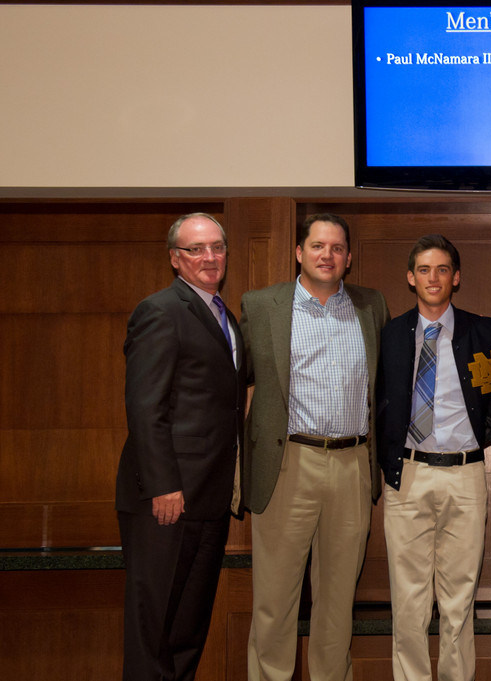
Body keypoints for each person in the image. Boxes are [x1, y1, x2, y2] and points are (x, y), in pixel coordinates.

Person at [241, 213, 389, 681]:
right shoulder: (262, 305)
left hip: (352, 464)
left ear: (348, 257)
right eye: (319, 246)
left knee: (337, 601)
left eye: (338, 248)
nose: (328, 255)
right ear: (299, 252)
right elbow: (235, 382)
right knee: (275, 600)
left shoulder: (372, 307)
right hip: (288, 464)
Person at [115, 213, 247, 681]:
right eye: (196, 249)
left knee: (188, 628)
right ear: (175, 259)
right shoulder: (160, 311)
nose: (209, 257)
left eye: (216, 247)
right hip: (166, 501)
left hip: (208, 500)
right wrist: (164, 485)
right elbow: (145, 407)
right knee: (154, 628)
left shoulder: (225, 317)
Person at [376, 234, 491, 681]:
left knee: (459, 598)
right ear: (411, 278)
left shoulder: (486, 332)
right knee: (408, 599)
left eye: (443, 269)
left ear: (457, 278)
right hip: (407, 474)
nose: (434, 278)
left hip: (466, 476)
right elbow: (375, 401)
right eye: (425, 270)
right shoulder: (390, 334)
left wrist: (484, 438)